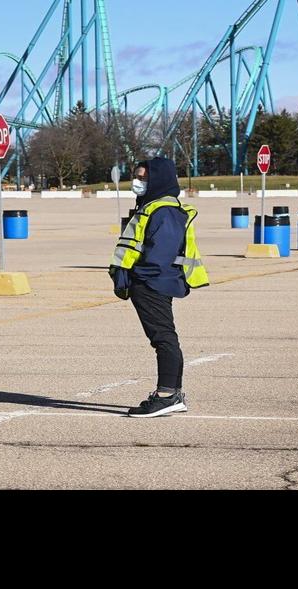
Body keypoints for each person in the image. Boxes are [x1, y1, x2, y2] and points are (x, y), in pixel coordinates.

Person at [110, 157, 209, 418]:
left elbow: (159, 254)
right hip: (153, 281)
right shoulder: (154, 206)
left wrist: (138, 278)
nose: (137, 182)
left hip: (153, 283)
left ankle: (167, 395)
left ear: (158, 180)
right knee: (165, 337)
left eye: (143, 177)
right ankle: (171, 393)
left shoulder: (163, 210)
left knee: (163, 338)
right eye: (136, 176)